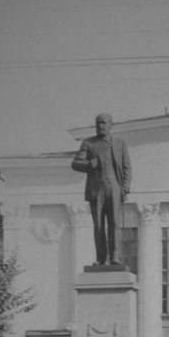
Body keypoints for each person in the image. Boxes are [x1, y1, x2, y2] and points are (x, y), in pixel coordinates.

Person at [71, 113, 132, 266]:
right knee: (98, 225)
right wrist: (87, 165)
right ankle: (100, 258)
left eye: (104, 123)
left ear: (111, 125)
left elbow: (127, 167)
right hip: (96, 188)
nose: (101, 126)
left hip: (114, 187)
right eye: (98, 123)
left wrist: (126, 186)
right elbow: (75, 163)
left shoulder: (119, 143)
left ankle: (115, 257)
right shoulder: (88, 143)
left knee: (114, 223)